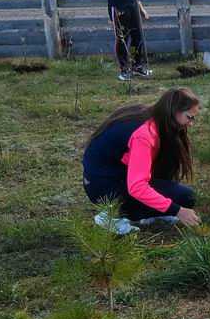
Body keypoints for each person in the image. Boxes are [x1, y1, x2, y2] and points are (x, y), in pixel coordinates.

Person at [82, 87, 203, 234]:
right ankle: (110, 217)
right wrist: (177, 210)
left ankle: (154, 211)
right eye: (189, 117)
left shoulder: (153, 117)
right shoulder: (144, 134)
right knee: (186, 197)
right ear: (174, 111)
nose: (191, 124)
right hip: (103, 189)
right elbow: (137, 186)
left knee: (180, 194)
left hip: (111, 178)